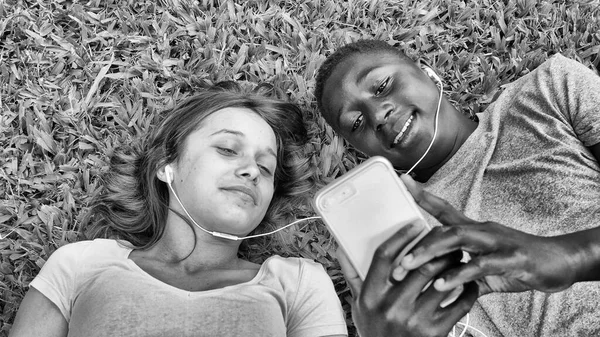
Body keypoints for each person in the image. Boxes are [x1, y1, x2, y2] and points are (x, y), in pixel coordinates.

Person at [9, 83, 348, 337]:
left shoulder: (300, 284)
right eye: (229, 149)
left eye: (266, 166)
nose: (252, 170)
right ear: (165, 165)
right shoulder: (80, 265)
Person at [314, 39, 600, 336]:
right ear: (362, 151)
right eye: (357, 122)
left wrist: (574, 255)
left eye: (382, 86)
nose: (377, 116)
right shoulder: (400, 238)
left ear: (425, 71)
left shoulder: (549, 89)